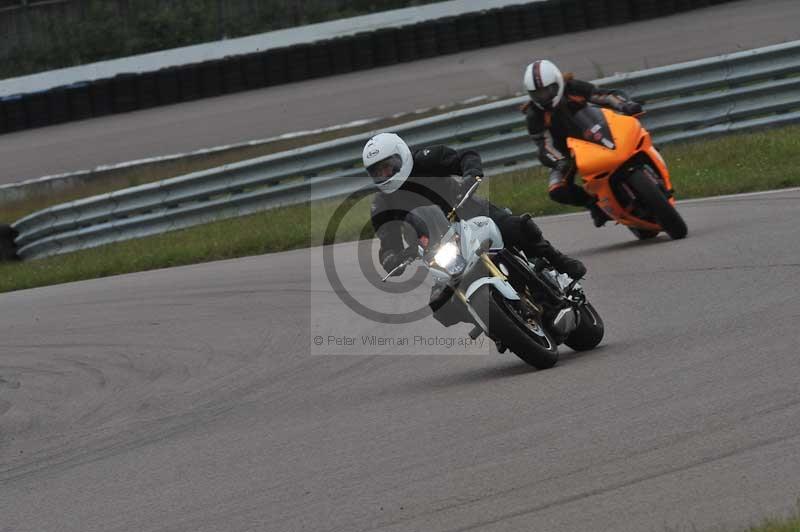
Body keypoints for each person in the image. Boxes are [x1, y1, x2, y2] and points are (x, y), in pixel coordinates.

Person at [363, 132, 587, 283]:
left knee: (516, 227)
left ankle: (558, 260)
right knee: (441, 304)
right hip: (436, 244)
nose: (384, 175)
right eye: (377, 172)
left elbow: (465, 157)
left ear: (401, 156)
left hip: (467, 210)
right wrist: (391, 257)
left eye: (387, 167)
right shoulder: (382, 205)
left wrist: (471, 175)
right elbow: (388, 243)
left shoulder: (425, 159)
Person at [522, 59, 644, 227]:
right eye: (538, 93)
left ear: (557, 83)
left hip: (597, 131)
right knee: (556, 189)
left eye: (547, 90)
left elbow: (603, 95)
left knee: (634, 132)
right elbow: (544, 145)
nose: (543, 97)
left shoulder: (572, 87)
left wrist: (626, 105)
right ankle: (594, 204)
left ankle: (646, 161)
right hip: (568, 154)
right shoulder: (534, 114)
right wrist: (559, 160)